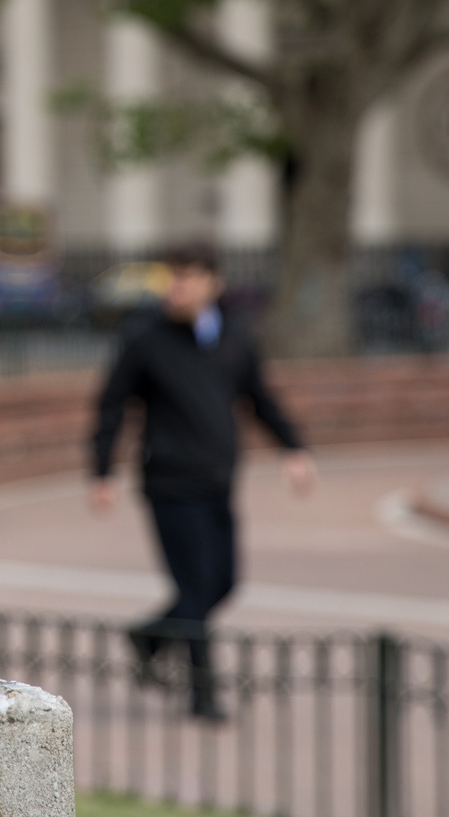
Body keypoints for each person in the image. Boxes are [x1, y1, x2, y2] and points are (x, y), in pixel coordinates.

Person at [90, 242, 315, 721]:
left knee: (224, 583)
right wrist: (102, 471)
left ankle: (149, 636)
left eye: (187, 278)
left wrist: (293, 448)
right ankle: (203, 694)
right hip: (169, 483)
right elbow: (112, 404)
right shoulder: (144, 336)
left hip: (218, 479)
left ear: (214, 283)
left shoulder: (235, 335)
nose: (177, 287)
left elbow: (259, 397)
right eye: (172, 277)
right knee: (193, 590)